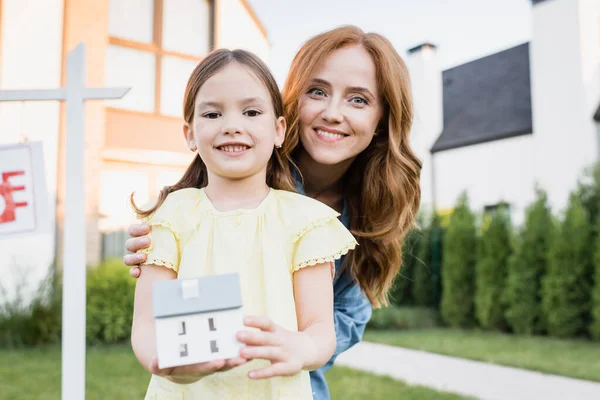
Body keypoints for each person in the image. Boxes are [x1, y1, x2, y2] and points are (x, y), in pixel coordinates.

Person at [125, 25, 422, 400]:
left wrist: (299, 347)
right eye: (318, 91)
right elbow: (153, 321)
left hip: (283, 382)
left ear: (383, 118)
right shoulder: (187, 205)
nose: (333, 113)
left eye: (358, 99)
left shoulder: (315, 220)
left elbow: (326, 330)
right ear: (293, 101)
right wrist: (166, 356)